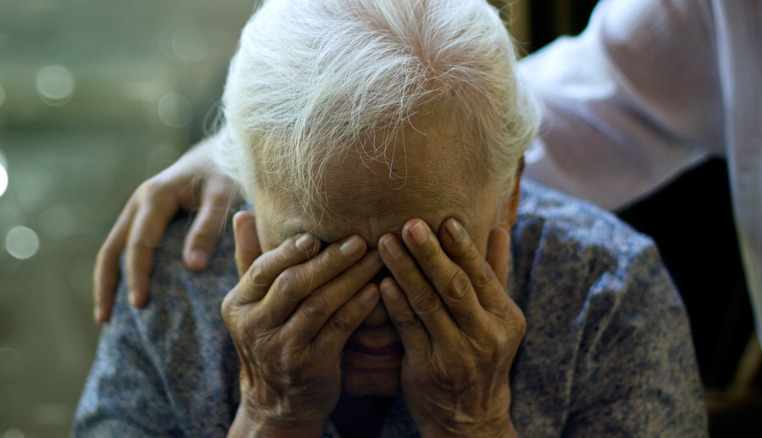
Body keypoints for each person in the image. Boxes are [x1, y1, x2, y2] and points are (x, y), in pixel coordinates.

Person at [75, 0, 706, 435]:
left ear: (510, 193)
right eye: (321, 252)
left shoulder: (607, 298)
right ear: (247, 205)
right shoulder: (176, 282)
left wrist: (475, 425)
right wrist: (272, 416)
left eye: (425, 247)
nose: (377, 302)